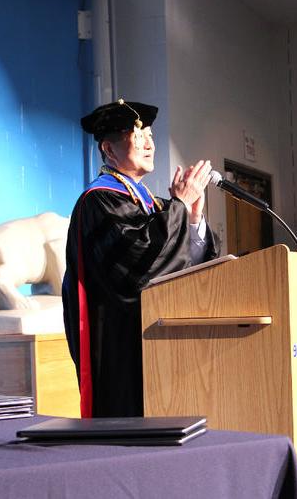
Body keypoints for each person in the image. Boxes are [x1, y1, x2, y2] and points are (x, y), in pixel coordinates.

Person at [62, 99, 218, 418]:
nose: (149, 143)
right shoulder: (98, 201)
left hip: (163, 343)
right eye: (138, 136)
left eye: (150, 135)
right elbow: (137, 269)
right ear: (109, 149)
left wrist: (193, 215)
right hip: (123, 348)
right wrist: (180, 206)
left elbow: (185, 265)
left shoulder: (155, 204)